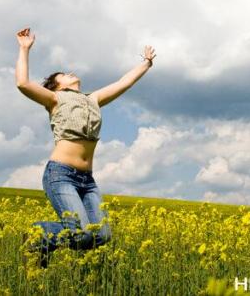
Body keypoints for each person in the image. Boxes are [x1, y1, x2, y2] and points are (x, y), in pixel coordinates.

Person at [14, 27, 156, 267]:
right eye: (64, 75)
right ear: (56, 86)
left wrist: (146, 64)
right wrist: (24, 48)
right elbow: (23, 83)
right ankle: (37, 233)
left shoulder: (93, 99)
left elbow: (124, 83)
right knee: (81, 233)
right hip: (61, 175)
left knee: (102, 235)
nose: (70, 73)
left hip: (87, 179)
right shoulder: (54, 100)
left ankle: (43, 241)